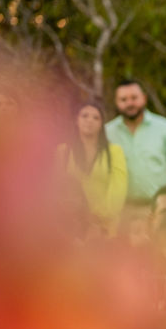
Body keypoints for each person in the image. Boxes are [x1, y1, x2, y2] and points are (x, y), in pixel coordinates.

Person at [106, 79, 166, 204]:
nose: (130, 103)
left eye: (134, 98)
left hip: (157, 208)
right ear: (116, 102)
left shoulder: (165, 128)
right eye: (123, 100)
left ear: (144, 98)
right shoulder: (107, 132)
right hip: (119, 211)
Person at [58, 99, 128, 237]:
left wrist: (98, 217)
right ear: (76, 120)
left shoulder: (114, 152)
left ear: (102, 124)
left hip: (104, 227)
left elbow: (119, 188)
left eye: (96, 117)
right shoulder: (63, 151)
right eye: (84, 116)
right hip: (70, 226)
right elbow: (57, 187)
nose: (89, 120)